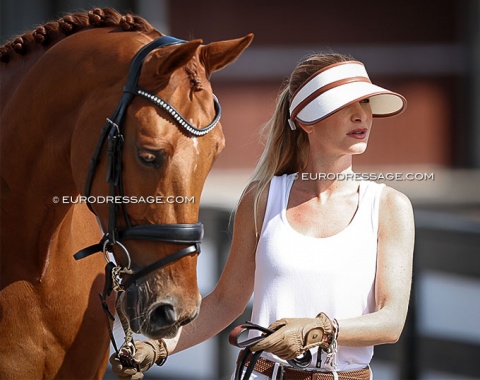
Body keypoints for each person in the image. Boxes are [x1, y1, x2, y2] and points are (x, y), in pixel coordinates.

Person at [111, 52, 415, 380]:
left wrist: (318, 330)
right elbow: (225, 303)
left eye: (366, 103)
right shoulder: (262, 198)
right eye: (345, 106)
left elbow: (391, 321)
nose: (361, 116)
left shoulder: (389, 207)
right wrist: (156, 347)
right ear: (305, 121)